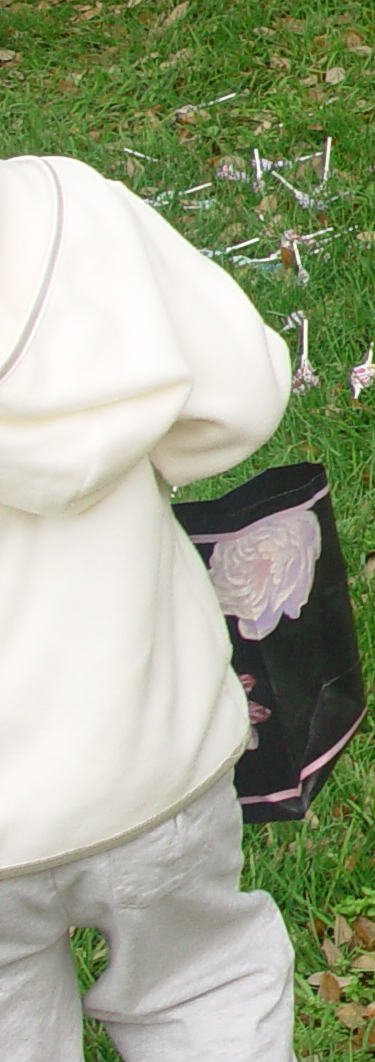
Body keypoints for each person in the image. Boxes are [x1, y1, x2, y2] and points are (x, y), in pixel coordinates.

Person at [0, 154, 298, 1060]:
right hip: (150, 755)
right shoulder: (60, 208)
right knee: (199, 981)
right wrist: (136, 454)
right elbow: (240, 394)